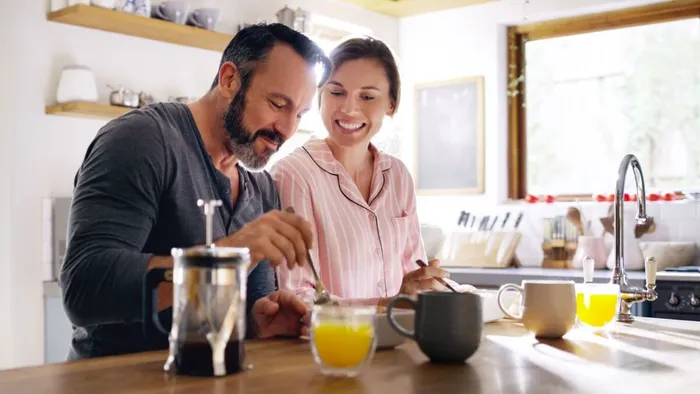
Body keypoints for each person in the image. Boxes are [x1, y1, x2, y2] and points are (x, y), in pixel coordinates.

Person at [60, 23, 331, 360]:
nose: (288, 130)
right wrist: (227, 256)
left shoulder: (261, 188)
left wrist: (261, 323)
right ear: (230, 79)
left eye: (300, 115)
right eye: (278, 104)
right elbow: (84, 289)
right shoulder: (141, 140)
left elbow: (238, 314)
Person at [270, 37, 457, 307]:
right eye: (336, 92)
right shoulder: (293, 175)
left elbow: (412, 277)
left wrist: (430, 285)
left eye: (367, 96)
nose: (348, 109)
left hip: (398, 340)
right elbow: (299, 298)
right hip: (326, 347)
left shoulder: (398, 175)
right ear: (320, 95)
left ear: (390, 104)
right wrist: (387, 304)